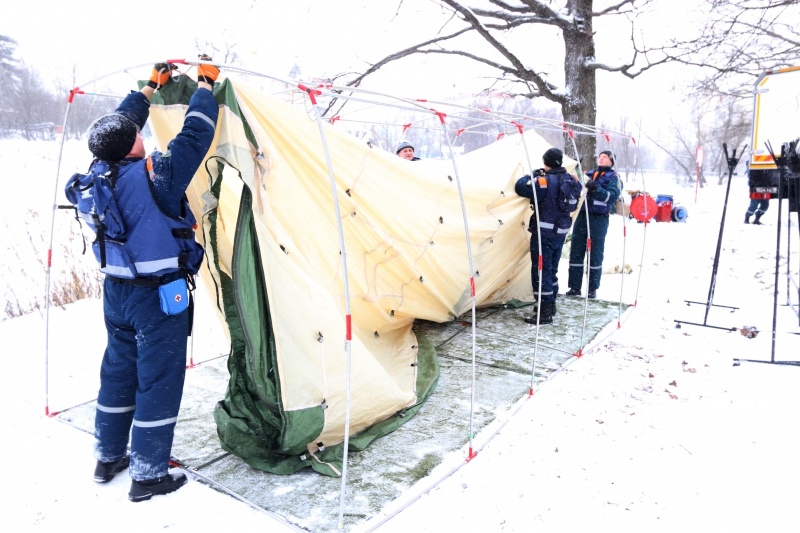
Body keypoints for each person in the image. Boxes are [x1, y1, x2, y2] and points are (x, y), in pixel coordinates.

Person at [81, 58, 219, 502]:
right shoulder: (157, 176)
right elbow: (196, 135)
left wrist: (147, 91)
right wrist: (204, 87)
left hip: (116, 292)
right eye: (138, 134)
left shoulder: (97, 173)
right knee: (158, 379)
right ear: (134, 146)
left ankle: (108, 457)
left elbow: (118, 126)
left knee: (118, 372)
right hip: (159, 297)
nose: (142, 134)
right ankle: (148, 473)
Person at [515, 147, 577, 324]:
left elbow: (520, 188)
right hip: (560, 231)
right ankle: (551, 304)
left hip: (544, 234)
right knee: (552, 268)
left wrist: (530, 176)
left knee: (541, 271)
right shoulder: (570, 179)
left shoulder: (543, 182)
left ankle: (544, 312)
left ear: (545, 162)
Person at [566, 150, 621, 299]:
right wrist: (576, 167)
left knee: (595, 253)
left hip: (599, 218)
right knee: (576, 250)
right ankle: (574, 287)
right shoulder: (589, 174)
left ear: (611, 161)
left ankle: (592, 289)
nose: (601, 159)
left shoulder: (614, 178)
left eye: (605, 157)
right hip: (582, 215)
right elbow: (576, 183)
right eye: (600, 156)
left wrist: (595, 188)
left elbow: (611, 197)